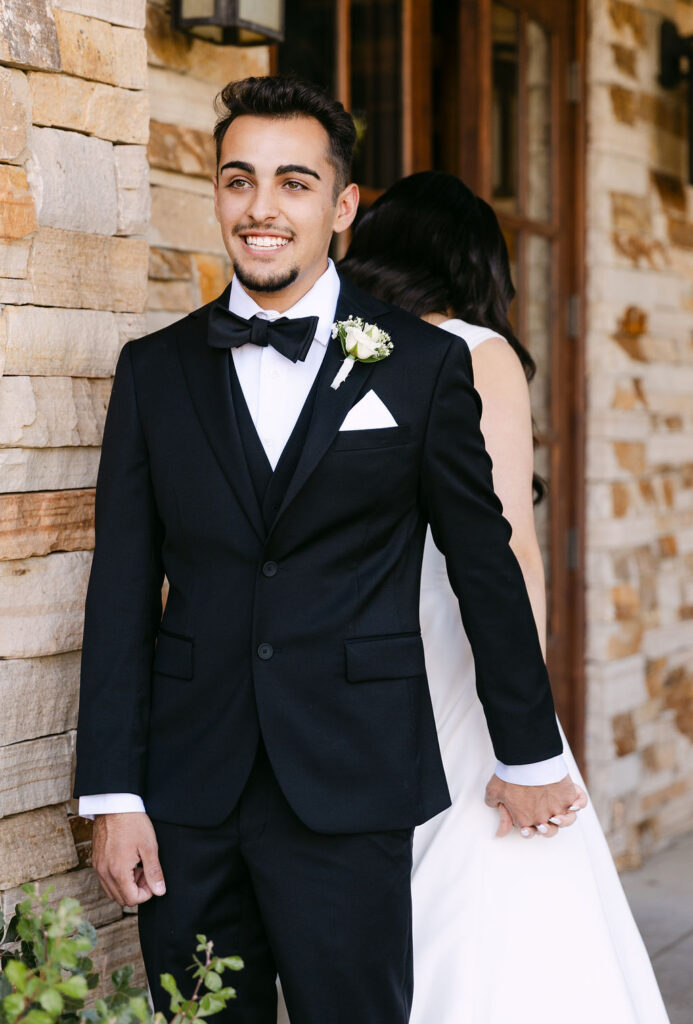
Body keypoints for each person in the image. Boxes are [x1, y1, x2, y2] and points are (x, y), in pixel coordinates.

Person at [74, 79, 583, 1024]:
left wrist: (528, 751)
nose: (261, 208)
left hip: (352, 782)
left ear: (342, 207)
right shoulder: (154, 371)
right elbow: (120, 588)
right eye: (239, 180)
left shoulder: (424, 366)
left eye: (293, 183)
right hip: (187, 794)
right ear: (216, 195)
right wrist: (113, 793)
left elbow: (484, 562)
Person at [330, 170, 670, 1024]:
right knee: (492, 871)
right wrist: (529, 721)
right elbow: (509, 543)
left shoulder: (329, 347)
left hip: (341, 655)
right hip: (455, 647)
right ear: (478, 267)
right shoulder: (474, 352)